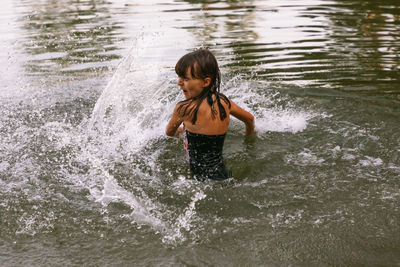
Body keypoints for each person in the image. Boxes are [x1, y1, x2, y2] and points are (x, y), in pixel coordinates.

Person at [166, 49, 255, 181]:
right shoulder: (225, 102)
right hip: (223, 173)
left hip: (200, 180)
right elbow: (250, 119)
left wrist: (182, 132)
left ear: (206, 82)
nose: (179, 82)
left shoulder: (184, 108)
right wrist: (248, 136)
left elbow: (169, 132)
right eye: (179, 77)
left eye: (185, 78)